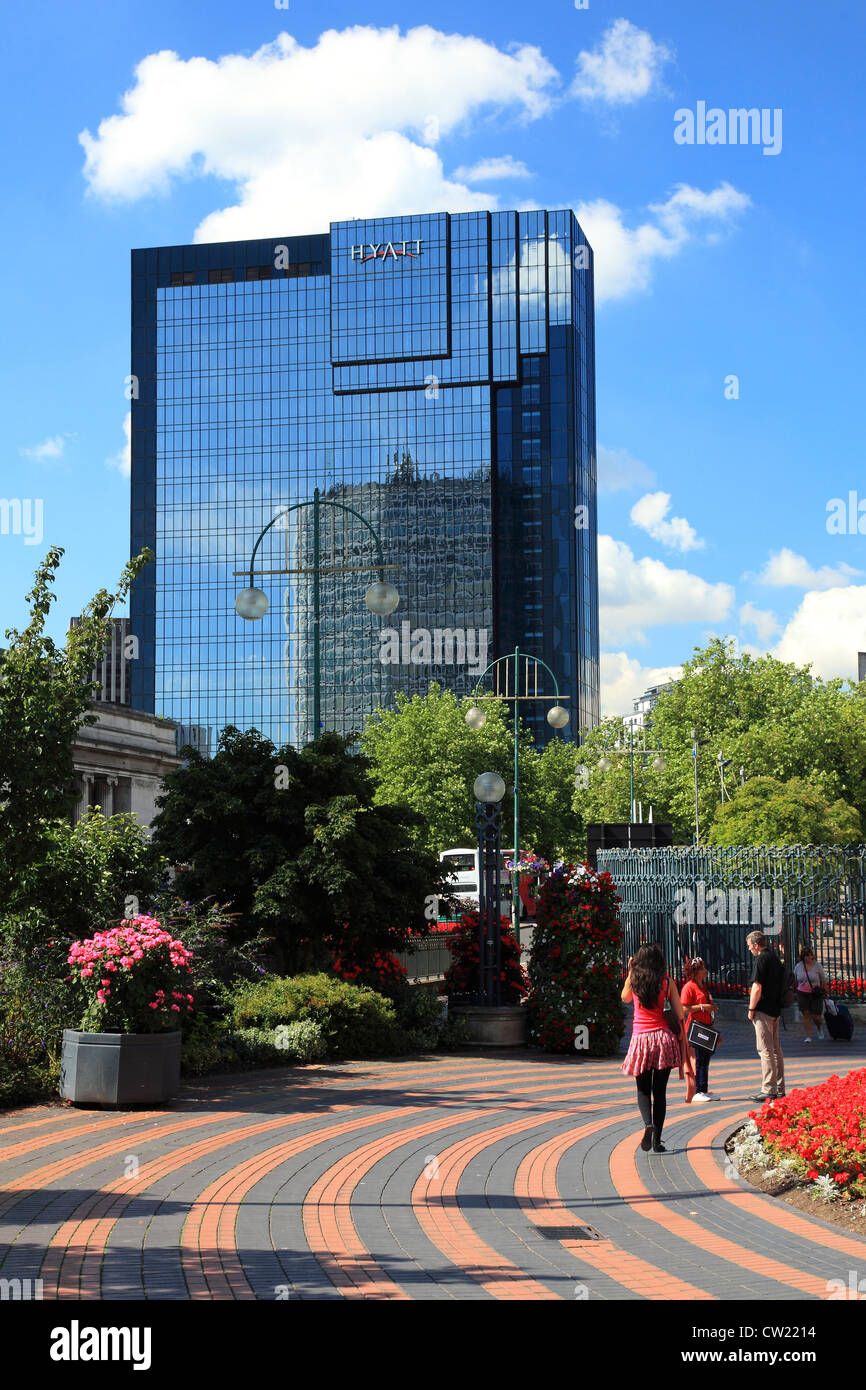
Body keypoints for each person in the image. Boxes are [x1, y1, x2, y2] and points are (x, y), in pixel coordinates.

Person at [621, 943, 684, 1152]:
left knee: (642, 1089)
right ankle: (657, 1141)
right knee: (660, 1092)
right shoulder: (667, 983)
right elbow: (680, 1014)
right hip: (663, 1039)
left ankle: (647, 1124)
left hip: (641, 1039)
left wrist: (630, 971)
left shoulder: (635, 981)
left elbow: (625, 998)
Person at [746, 929, 785, 1102]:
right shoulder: (774, 958)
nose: (749, 949)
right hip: (776, 1009)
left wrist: (751, 1009)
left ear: (756, 945)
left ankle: (768, 1089)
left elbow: (757, 987)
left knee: (765, 1050)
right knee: (776, 1050)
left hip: (763, 1010)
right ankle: (779, 1087)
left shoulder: (761, 959)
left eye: (749, 946)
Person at [680, 957, 720, 1102]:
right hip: (696, 1028)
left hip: (706, 1027)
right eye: (702, 968)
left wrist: (711, 1007)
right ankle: (698, 1091)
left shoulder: (703, 986)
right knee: (699, 1060)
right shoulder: (689, 987)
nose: (705, 970)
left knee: (705, 1060)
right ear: (696, 972)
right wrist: (704, 1007)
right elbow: (684, 1008)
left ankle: (704, 1089)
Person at [794, 946, 827, 1041]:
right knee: (806, 1014)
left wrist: (826, 992)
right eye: (806, 956)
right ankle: (808, 1036)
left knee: (816, 1016)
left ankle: (819, 1028)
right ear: (803, 957)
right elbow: (795, 980)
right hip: (802, 993)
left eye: (810, 955)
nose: (808, 958)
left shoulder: (817, 966)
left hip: (815, 994)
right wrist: (793, 991)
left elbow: (823, 980)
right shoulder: (798, 966)